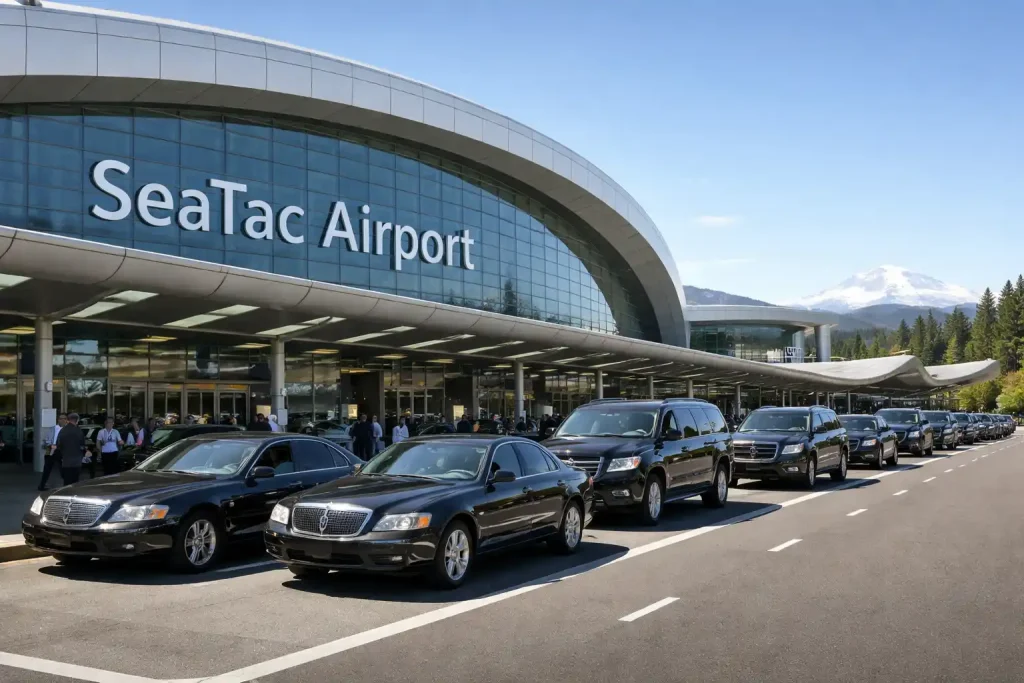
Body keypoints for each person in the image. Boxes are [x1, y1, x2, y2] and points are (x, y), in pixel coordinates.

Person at [54, 413, 87, 485]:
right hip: (77, 460)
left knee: (67, 481)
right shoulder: (78, 431)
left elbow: (58, 445)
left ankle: (66, 494)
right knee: (75, 481)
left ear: (68, 420)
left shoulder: (63, 431)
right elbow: (82, 445)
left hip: (66, 460)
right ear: (77, 420)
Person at [38, 412, 67, 491]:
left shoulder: (67, 430)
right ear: (58, 420)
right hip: (51, 449)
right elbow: (46, 439)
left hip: (61, 451)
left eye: (64, 419)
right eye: (61, 418)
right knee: (47, 468)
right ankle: (41, 485)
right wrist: (50, 445)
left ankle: (67, 485)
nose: (63, 420)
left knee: (63, 469)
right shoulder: (53, 428)